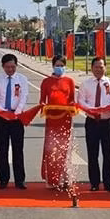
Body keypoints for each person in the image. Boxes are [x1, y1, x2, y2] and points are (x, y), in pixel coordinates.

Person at [77, 57, 110, 192]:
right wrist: (91, 109)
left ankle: (108, 182)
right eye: (96, 67)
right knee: (93, 154)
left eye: (101, 67)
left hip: (107, 122)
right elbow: (81, 100)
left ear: (105, 68)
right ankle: (94, 183)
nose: (99, 69)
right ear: (92, 68)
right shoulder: (85, 84)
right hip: (92, 122)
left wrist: (107, 108)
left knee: (108, 154)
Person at [0, 53, 28, 189]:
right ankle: (3, 179)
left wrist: (16, 112)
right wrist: (2, 112)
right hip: (2, 117)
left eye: (13, 67)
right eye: (7, 67)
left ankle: (20, 180)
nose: (10, 70)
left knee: (18, 150)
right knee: (2, 149)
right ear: (3, 66)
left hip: (17, 118)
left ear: (16, 66)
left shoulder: (22, 79)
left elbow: (23, 97)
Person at [40, 55, 76, 189]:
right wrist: (45, 106)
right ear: (53, 66)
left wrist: (72, 107)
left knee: (65, 148)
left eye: (62, 65)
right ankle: (52, 179)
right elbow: (42, 101)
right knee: (51, 148)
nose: (59, 67)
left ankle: (65, 178)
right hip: (52, 120)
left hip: (65, 119)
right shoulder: (46, 82)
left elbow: (72, 100)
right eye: (57, 65)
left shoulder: (70, 81)